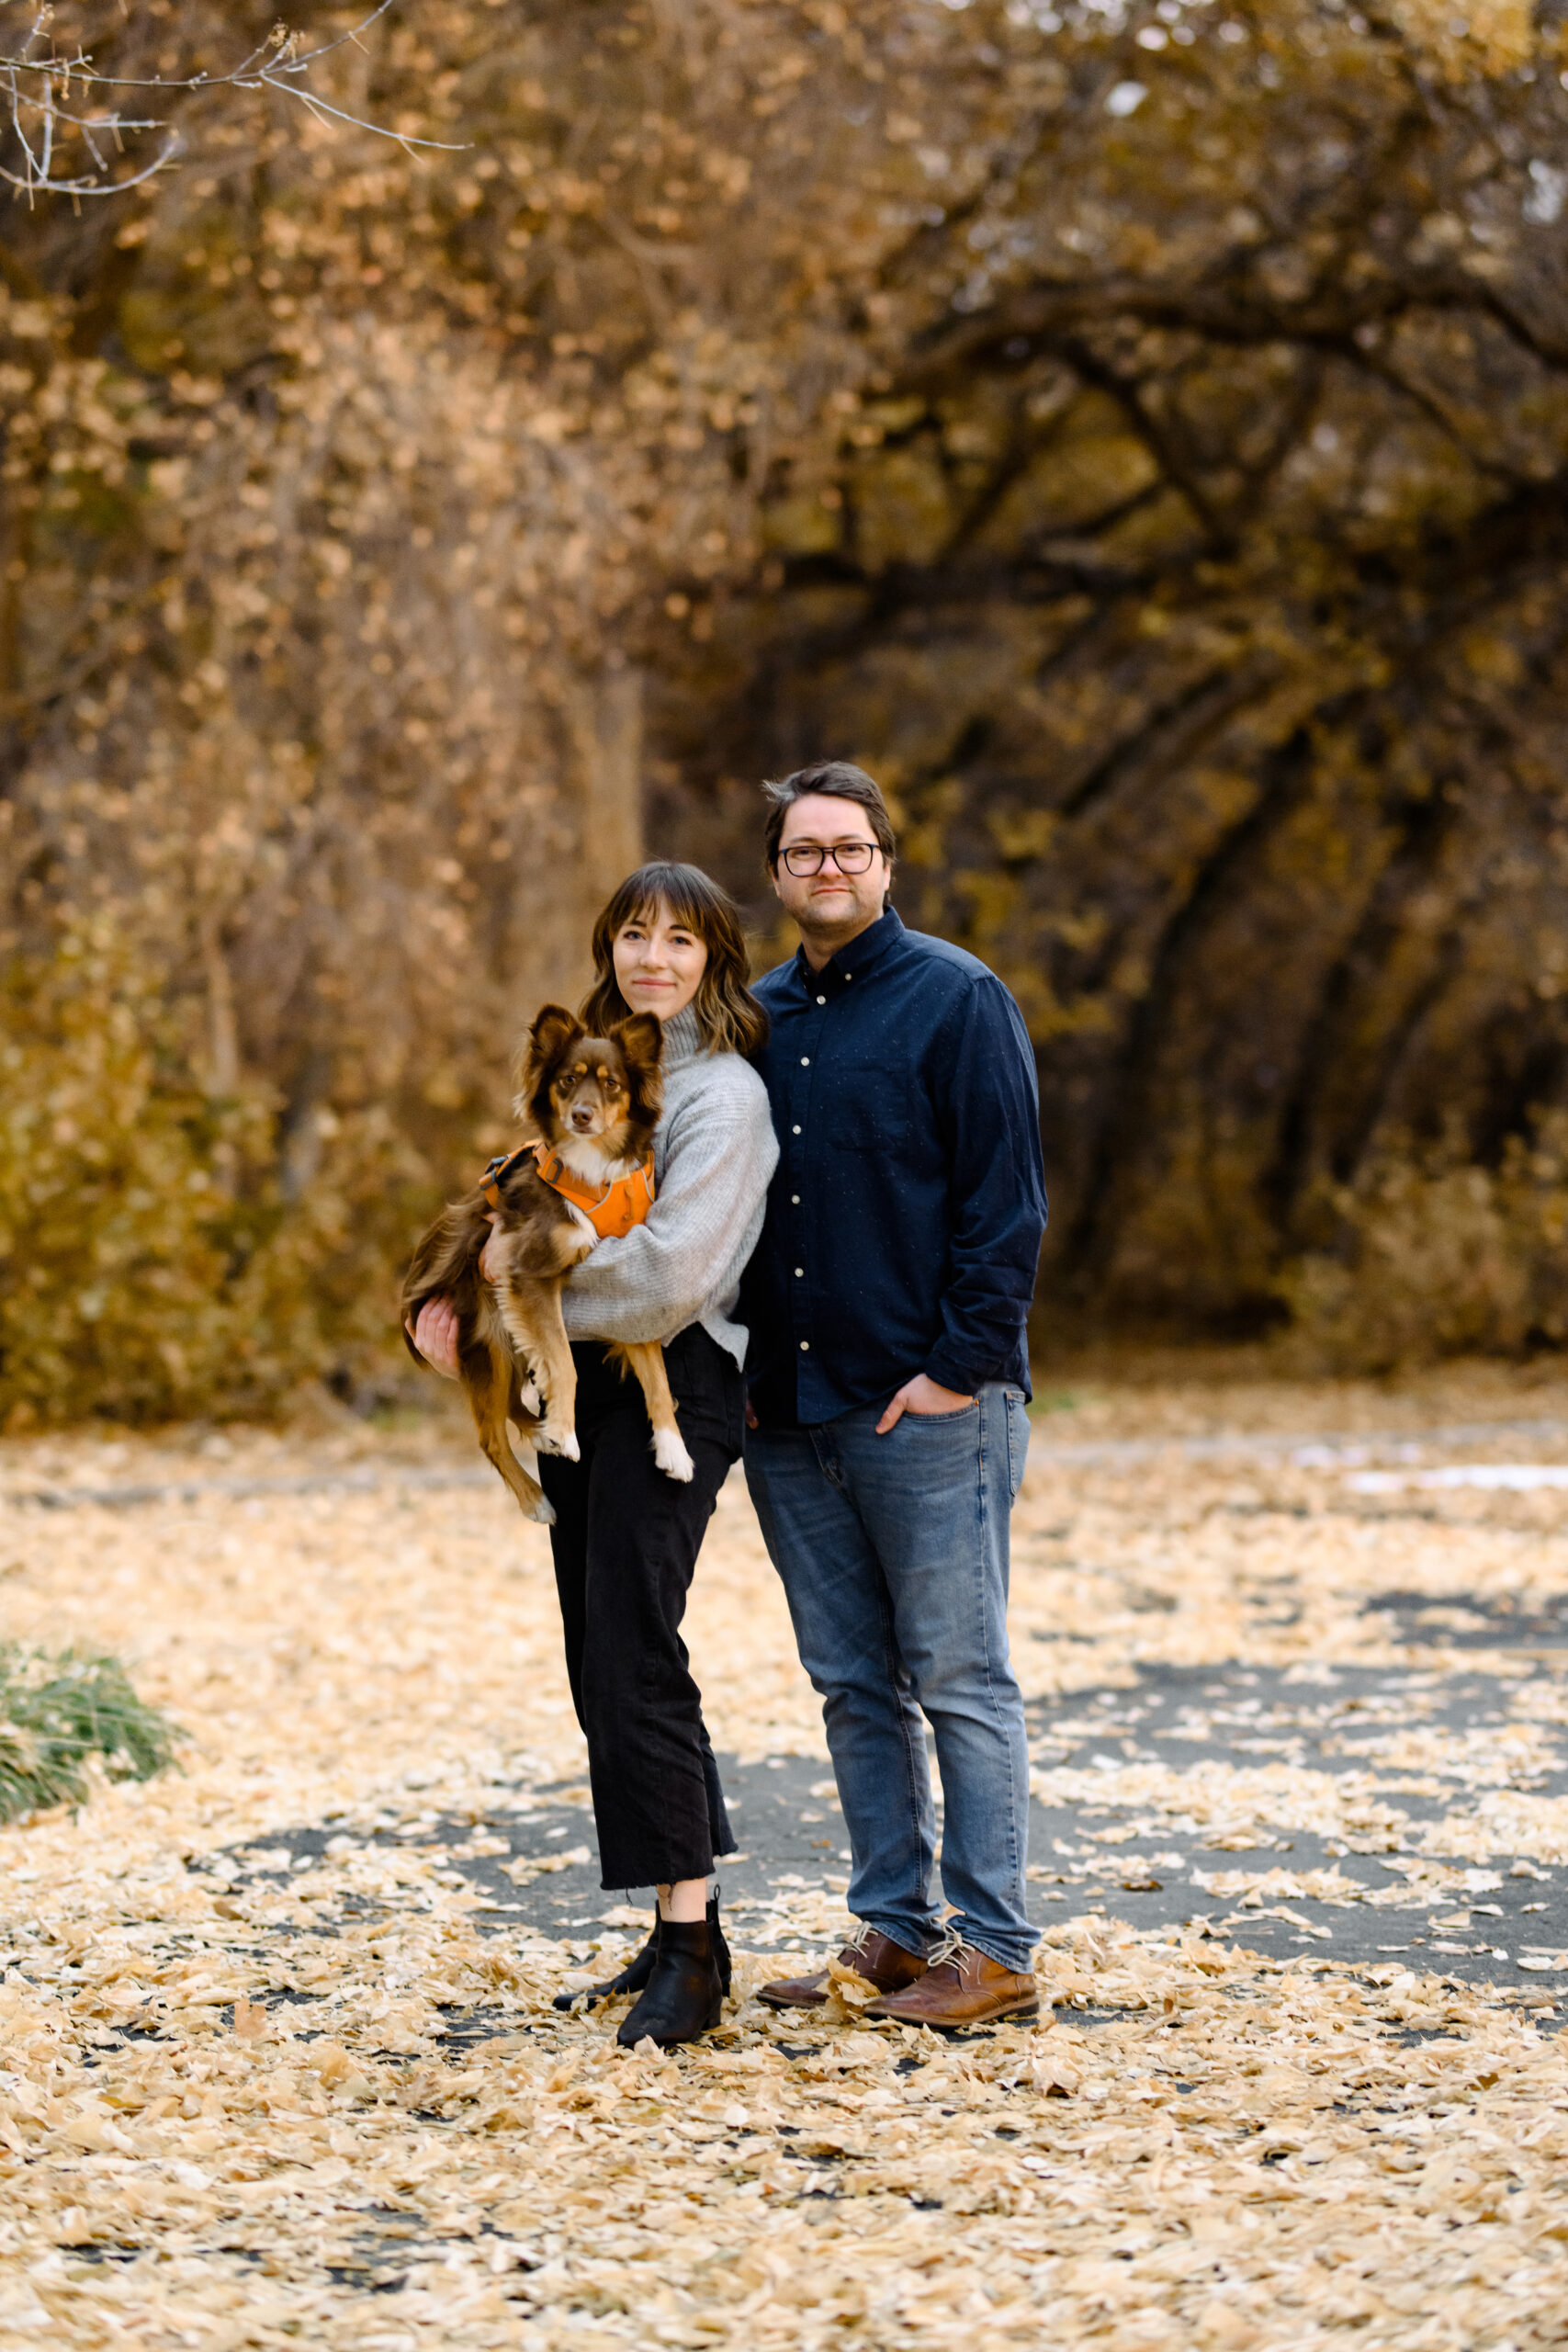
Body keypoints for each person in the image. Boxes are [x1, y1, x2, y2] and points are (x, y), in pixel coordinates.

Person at [409, 863, 778, 2047]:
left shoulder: (723, 1099)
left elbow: (670, 1279)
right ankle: (686, 1925)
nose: (653, 957)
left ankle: (691, 1949)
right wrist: (462, 1300)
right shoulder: (600, 1083)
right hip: (585, 1393)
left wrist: (513, 1304)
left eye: (680, 937)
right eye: (632, 936)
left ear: (716, 954)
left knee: (634, 1645)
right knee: (594, 1652)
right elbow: (523, 1224)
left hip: (681, 1383)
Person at [740, 762, 1048, 2031]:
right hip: (787, 1414)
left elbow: (1006, 1206)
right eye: (805, 851)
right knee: (852, 1685)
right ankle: (893, 1930)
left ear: (886, 863)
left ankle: (995, 1946)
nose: (828, 868)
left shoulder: (957, 1000)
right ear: (776, 872)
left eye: (849, 849)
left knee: (960, 1678)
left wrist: (953, 1373)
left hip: (927, 1408)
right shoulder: (750, 1019)